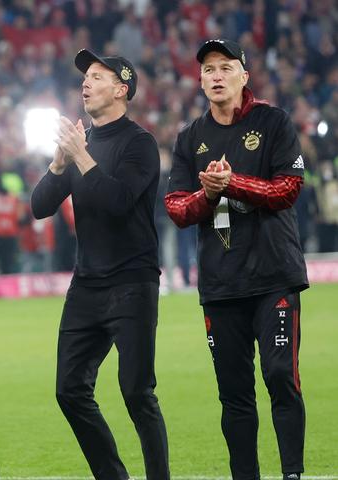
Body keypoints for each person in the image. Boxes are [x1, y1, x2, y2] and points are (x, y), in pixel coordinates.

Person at [165, 39, 307, 480]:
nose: (217, 76)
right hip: (222, 285)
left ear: (244, 75)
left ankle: (292, 473)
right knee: (234, 394)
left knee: (281, 375)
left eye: (226, 67)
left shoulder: (273, 122)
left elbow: (289, 189)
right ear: (200, 80)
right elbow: (176, 208)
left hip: (274, 276)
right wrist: (207, 194)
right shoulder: (190, 137)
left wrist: (232, 184)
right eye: (208, 69)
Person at [30, 50, 169, 480]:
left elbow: (119, 202)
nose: (85, 84)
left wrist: (81, 157)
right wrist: (59, 162)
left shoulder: (139, 144)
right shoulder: (78, 146)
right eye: (84, 77)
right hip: (86, 285)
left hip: (132, 282)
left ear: (121, 89)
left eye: (96, 76)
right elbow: (38, 206)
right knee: (69, 391)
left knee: (137, 393)